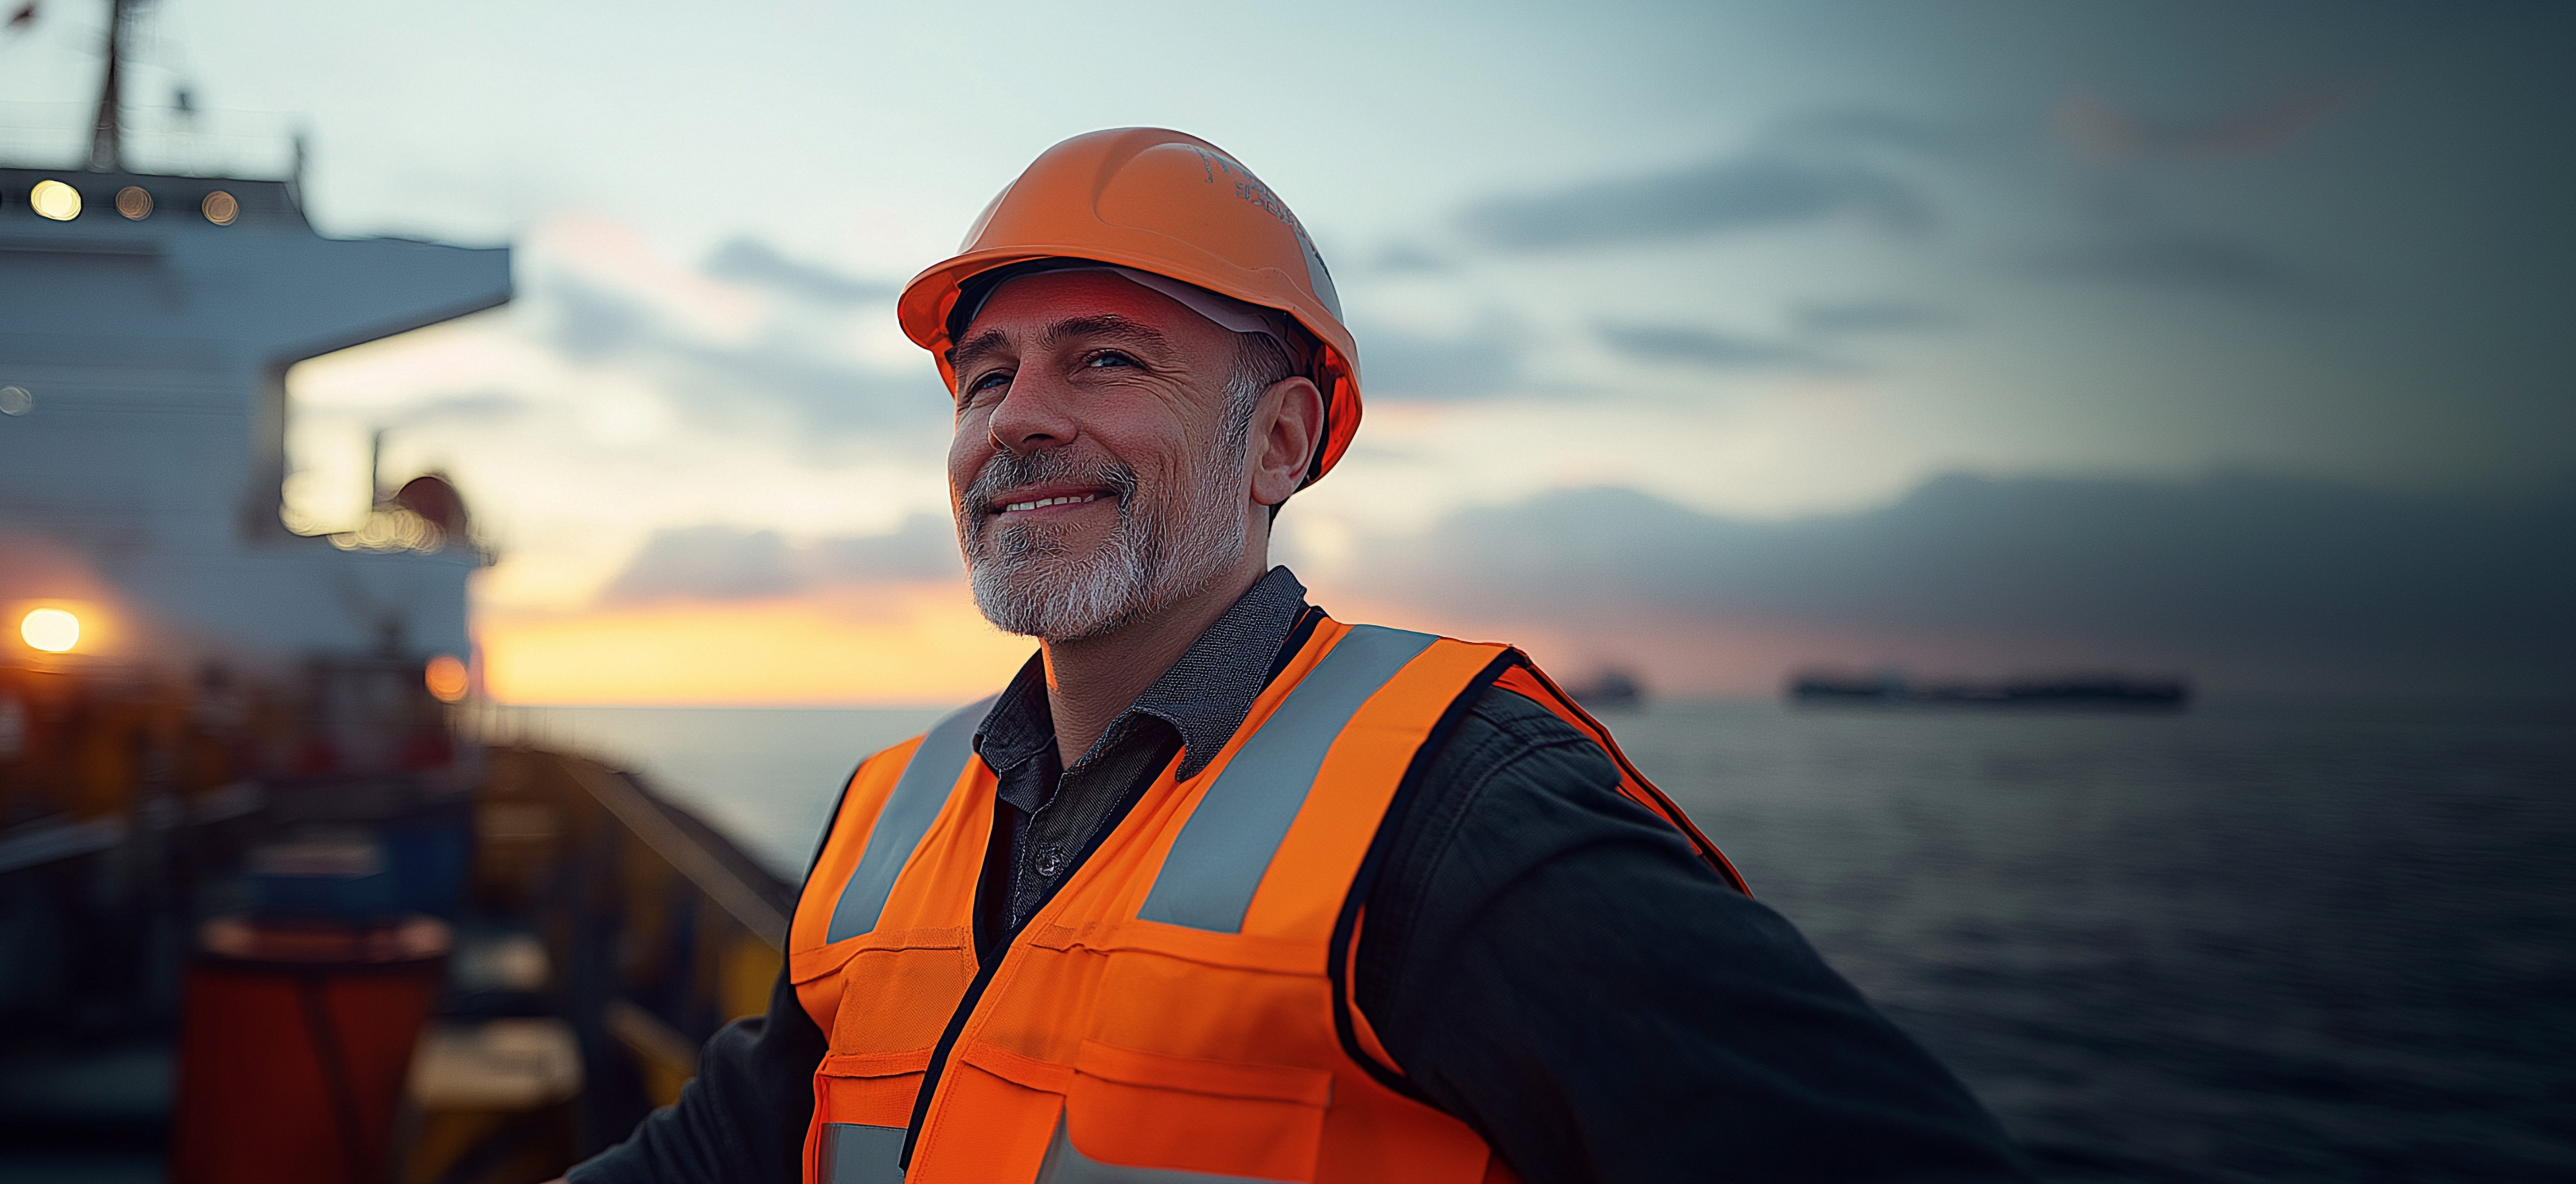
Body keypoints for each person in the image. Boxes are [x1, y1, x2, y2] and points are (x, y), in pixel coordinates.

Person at [563, 129, 2030, 1183]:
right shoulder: (894, 811)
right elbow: (728, 1148)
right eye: (986, 377)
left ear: (1278, 443)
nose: (1017, 418)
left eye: (1104, 359)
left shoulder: (1456, 811)